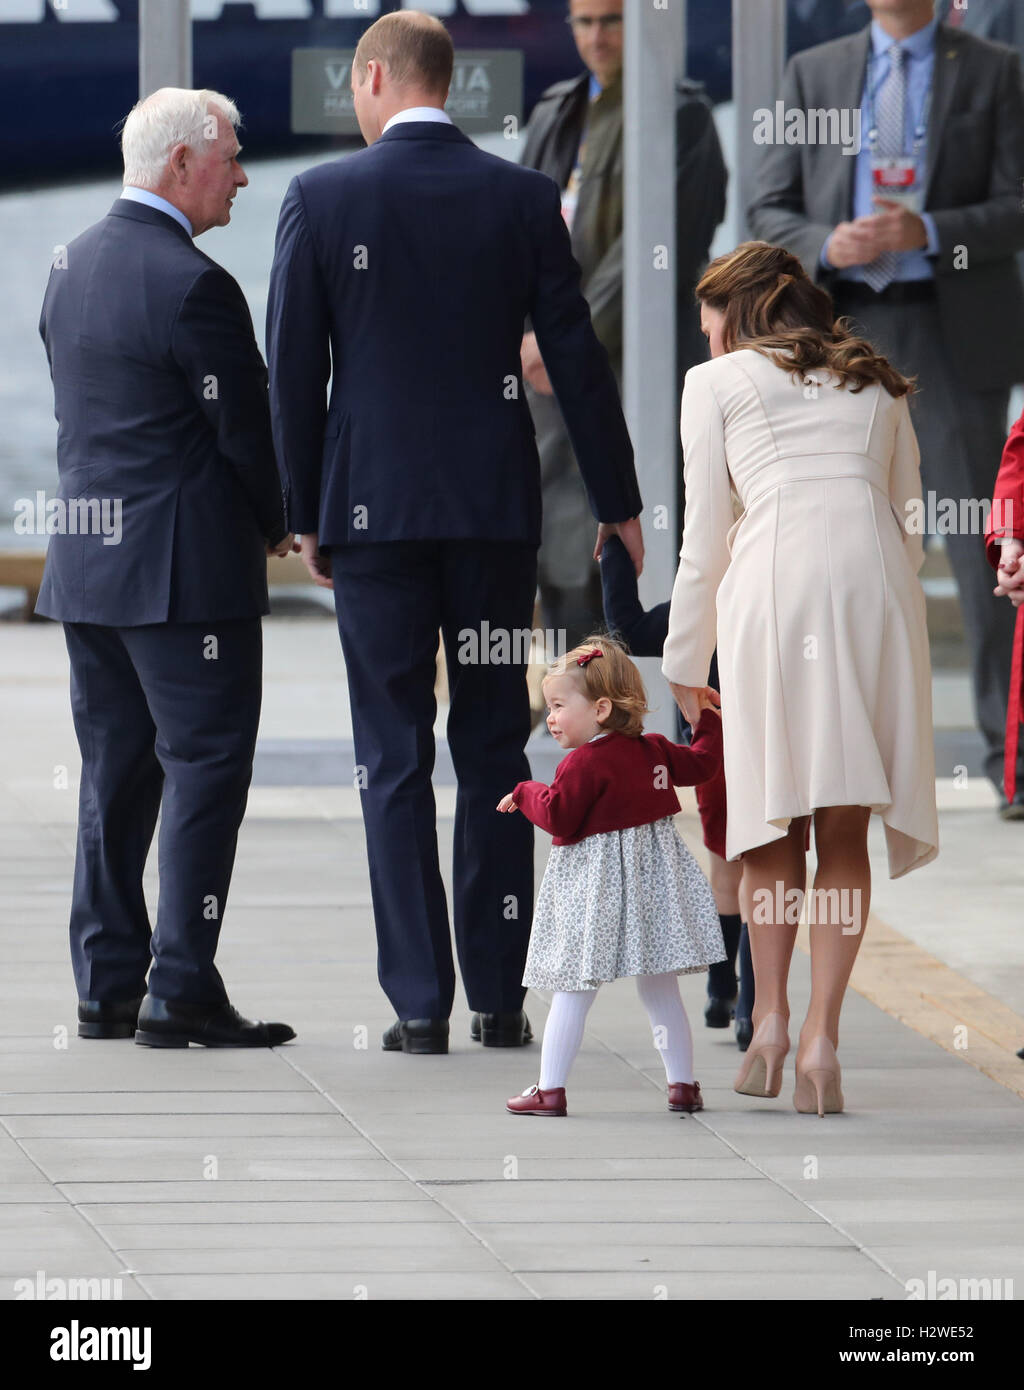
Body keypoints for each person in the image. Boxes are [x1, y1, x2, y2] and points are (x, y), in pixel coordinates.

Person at [266, 12, 642, 1056]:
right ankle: (498, 996)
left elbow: (293, 372)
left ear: (376, 78)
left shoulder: (321, 196)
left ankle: (419, 1004)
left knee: (389, 754)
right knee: (490, 746)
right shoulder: (521, 198)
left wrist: (303, 514)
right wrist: (618, 501)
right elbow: (575, 354)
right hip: (490, 516)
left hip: (373, 519)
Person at [37, 88, 296, 1049]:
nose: (239, 174)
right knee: (206, 772)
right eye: (229, 156)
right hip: (186, 583)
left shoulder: (70, 268)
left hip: (87, 572)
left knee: (113, 774)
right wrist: (281, 525)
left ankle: (107, 983)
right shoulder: (196, 285)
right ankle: (182, 982)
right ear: (180, 164)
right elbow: (245, 433)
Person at [662, 242, 939, 1116]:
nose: (711, 347)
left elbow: (704, 541)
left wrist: (682, 660)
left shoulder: (715, 385)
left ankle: (771, 1025)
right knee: (844, 829)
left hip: (772, 595)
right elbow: (912, 525)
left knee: (772, 823)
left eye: (713, 329)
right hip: (872, 594)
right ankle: (824, 1038)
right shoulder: (881, 383)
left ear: (738, 317)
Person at [748, 0, 1024, 816]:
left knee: (987, 553)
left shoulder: (996, 69)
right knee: (838, 551)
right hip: (842, 332)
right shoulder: (815, 73)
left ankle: (1013, 759)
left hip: (952, 328)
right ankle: (832, 762)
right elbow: (769, 209)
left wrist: (930, 229)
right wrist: (827, 245)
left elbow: (1018, 202)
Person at [519, 0, 726, 647]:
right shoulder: (558, 107)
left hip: (631, 361)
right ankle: (580, 711)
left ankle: (647, 720)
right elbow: (515, 226)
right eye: (584, 21)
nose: (597, 34)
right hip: (549, 361)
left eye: (612, 18)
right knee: (556, 534)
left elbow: (657, 244)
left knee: (635, 532)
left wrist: (563, 340)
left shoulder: (679, 111)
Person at [497, 637, 725, 1116]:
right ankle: (682, 1085)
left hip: (595, 891)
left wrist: (525, 790)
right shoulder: (655, 750)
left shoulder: (582, 763)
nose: (551, 716)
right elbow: (703, 763)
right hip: (653, 887)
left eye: (559, 705)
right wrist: (707, 721)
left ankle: (550, 1089)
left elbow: (559, 816)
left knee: (574, 987)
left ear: (601, 708)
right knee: (660, 987)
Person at [599, 535, 755, 1050]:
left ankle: (720, 990)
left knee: (726, 873)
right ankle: (754, 1010)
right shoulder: (776, 593)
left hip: (718, 750)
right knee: (770, 878)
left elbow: (628, 627)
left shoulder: (701, 604)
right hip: (780, 748)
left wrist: (617, 550)